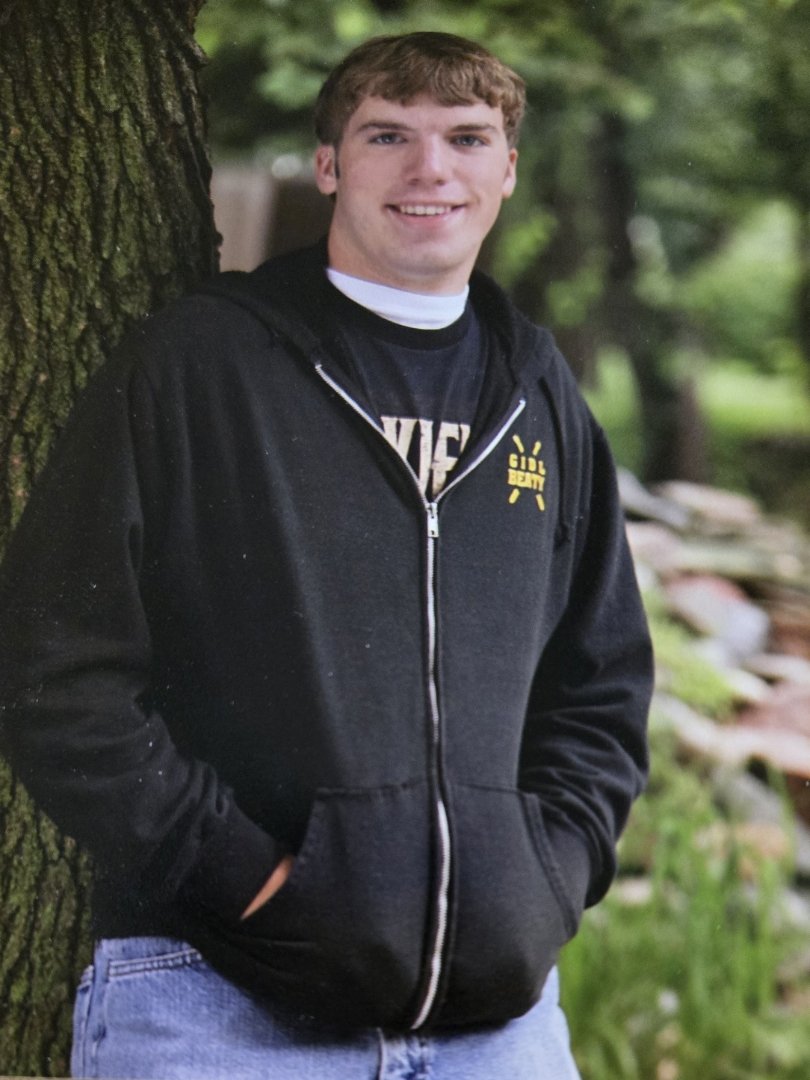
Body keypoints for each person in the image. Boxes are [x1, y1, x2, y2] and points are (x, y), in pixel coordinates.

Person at [0, 31, 652, 1080]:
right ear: (330, 166)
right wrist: (253, 881)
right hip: (217, 1002)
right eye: (388, 134)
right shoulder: (199, 364)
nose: (430, 169)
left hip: (499, 1030)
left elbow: (602, 680)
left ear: (507, 171)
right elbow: (56, 671)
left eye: (467, 137)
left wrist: (542, 877)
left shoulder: (540, 397)